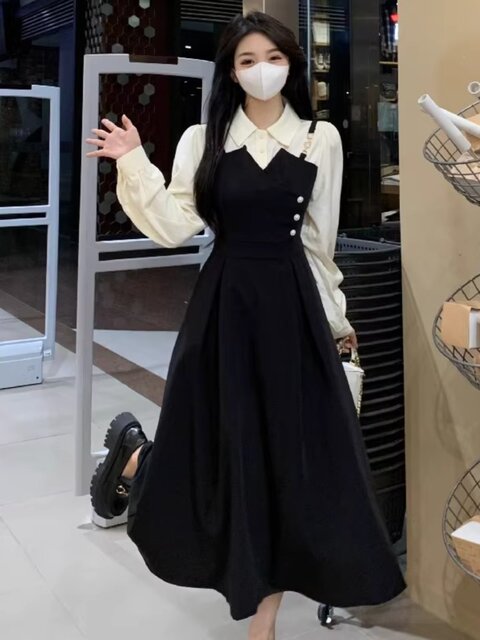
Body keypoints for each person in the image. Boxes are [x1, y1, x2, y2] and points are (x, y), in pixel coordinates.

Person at [86, 11, 405, 640]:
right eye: (248, 60)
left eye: (274, 58)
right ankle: (137, 461)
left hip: (293, 309)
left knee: (287, 456)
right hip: (225, 308)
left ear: (291, 64)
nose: (263, 70)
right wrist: (133, 161)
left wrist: (336, 320)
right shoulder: (203, 139)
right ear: (231, 72)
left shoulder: (319, 138)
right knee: (215, 446)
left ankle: (263, 619)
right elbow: (176, 225)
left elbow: (319, 243)